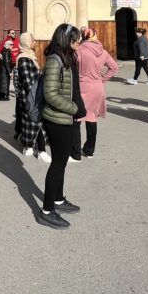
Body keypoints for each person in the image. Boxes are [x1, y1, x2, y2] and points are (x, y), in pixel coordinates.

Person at [37, 23, 85, 230]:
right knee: (57, 164)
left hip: (65, 118)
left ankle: (57, 199)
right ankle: (46, 211)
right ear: (66, 40)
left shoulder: (67, 58)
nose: (79, 41)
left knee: (61, 161)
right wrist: (73, 108)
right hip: (57, 119)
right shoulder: (55, 61)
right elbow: (50, 94)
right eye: (76, 38)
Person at [76, 27, 118, 156]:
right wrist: (102, 79)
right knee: (92, 119)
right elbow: (114, 67)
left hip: (82, 87)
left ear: (83, 36)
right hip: (97, 87)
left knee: (76, 118)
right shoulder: (103, 51)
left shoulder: (79, 50)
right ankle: (89, 150)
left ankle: (75, 150)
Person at [14, 32, 50, 162]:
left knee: (30, 122)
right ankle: (41, 151)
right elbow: (28, 81)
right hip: (31, 96)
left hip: (32, 95)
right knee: (36, 122)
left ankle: (29, 146)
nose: (34, 42)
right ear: (27, 42)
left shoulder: (29, 56)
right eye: (32, 40)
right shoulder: (24, 59)